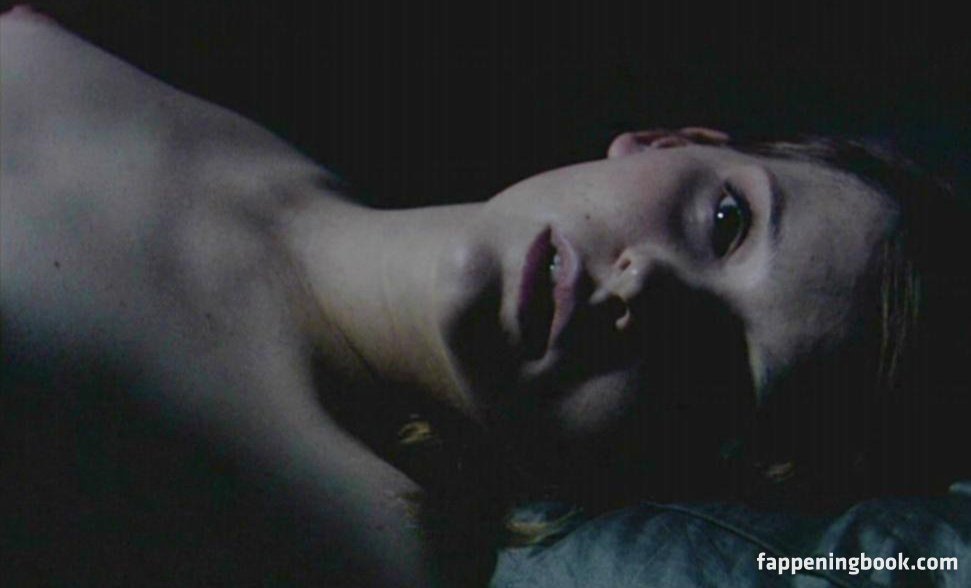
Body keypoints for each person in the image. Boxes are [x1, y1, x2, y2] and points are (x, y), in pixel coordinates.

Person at [2, 7, 968, 586]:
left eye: (712, 371)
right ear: (670, 142)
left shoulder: (326, 539)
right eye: (727, 222)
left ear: (672, 469)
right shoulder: (232, 51)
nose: (648, 285)